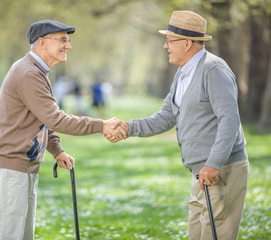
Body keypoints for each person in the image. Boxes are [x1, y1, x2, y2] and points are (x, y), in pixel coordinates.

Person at [106, 10, 249, 240]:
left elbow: (229, 120)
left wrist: (214, 163)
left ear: (187, 43)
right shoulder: (183, 74)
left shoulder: (214, 70)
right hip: (200, 173)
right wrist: (128, 127)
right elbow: (166, 117)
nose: (165, 46)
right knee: (197, 234)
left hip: (222, 170)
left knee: (216, 235)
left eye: (170, 41)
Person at [0, 20, 126, 240]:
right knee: (8, 236)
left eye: (67, 41)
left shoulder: (37, 72)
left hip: (23, 167)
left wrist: (57, 150)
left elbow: (42, 120)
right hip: (10, 167)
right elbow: (57, 119)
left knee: (23, 236)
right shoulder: (29, 73)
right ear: (42, 43)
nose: (68, 46)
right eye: (62, 40)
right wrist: (102, 125)